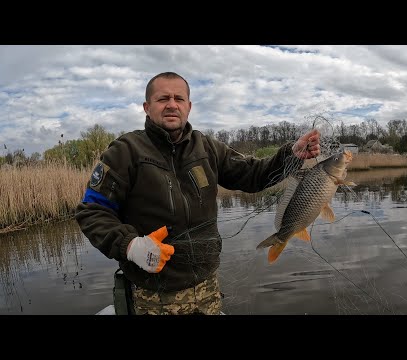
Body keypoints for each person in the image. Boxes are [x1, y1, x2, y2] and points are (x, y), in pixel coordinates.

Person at [75, 71, 320, 315]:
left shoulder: (207, 147)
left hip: (207, 288)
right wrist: (130, 245)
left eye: (179, 99)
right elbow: (92, 212)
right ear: (146, 107)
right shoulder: (125, 151)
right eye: (163, 99)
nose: (172, 105)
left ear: (189, 107)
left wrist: (291, 155)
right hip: (151, 295)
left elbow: (253, 174)